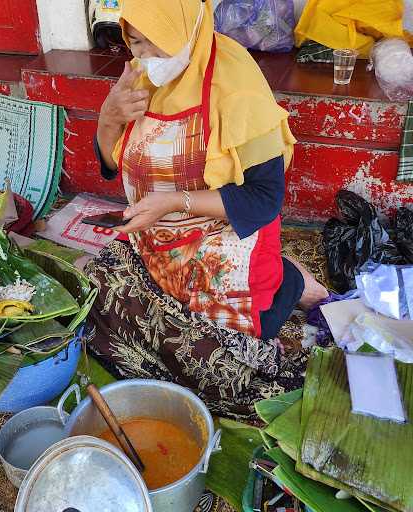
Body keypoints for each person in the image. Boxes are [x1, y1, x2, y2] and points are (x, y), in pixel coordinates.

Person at [85, 0, 328, 420]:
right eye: (136, 43)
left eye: (155, 46)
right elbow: (112, 163)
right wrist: (108, 118)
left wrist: (174, 202)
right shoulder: (142, 76)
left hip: (224, 244)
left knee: (217, 369)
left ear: (185, 31)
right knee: (95, 291)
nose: (145, 58)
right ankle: (283, 277)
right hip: (156, 236)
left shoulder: (236, 88)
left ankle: (283, 282)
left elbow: (264, 198)